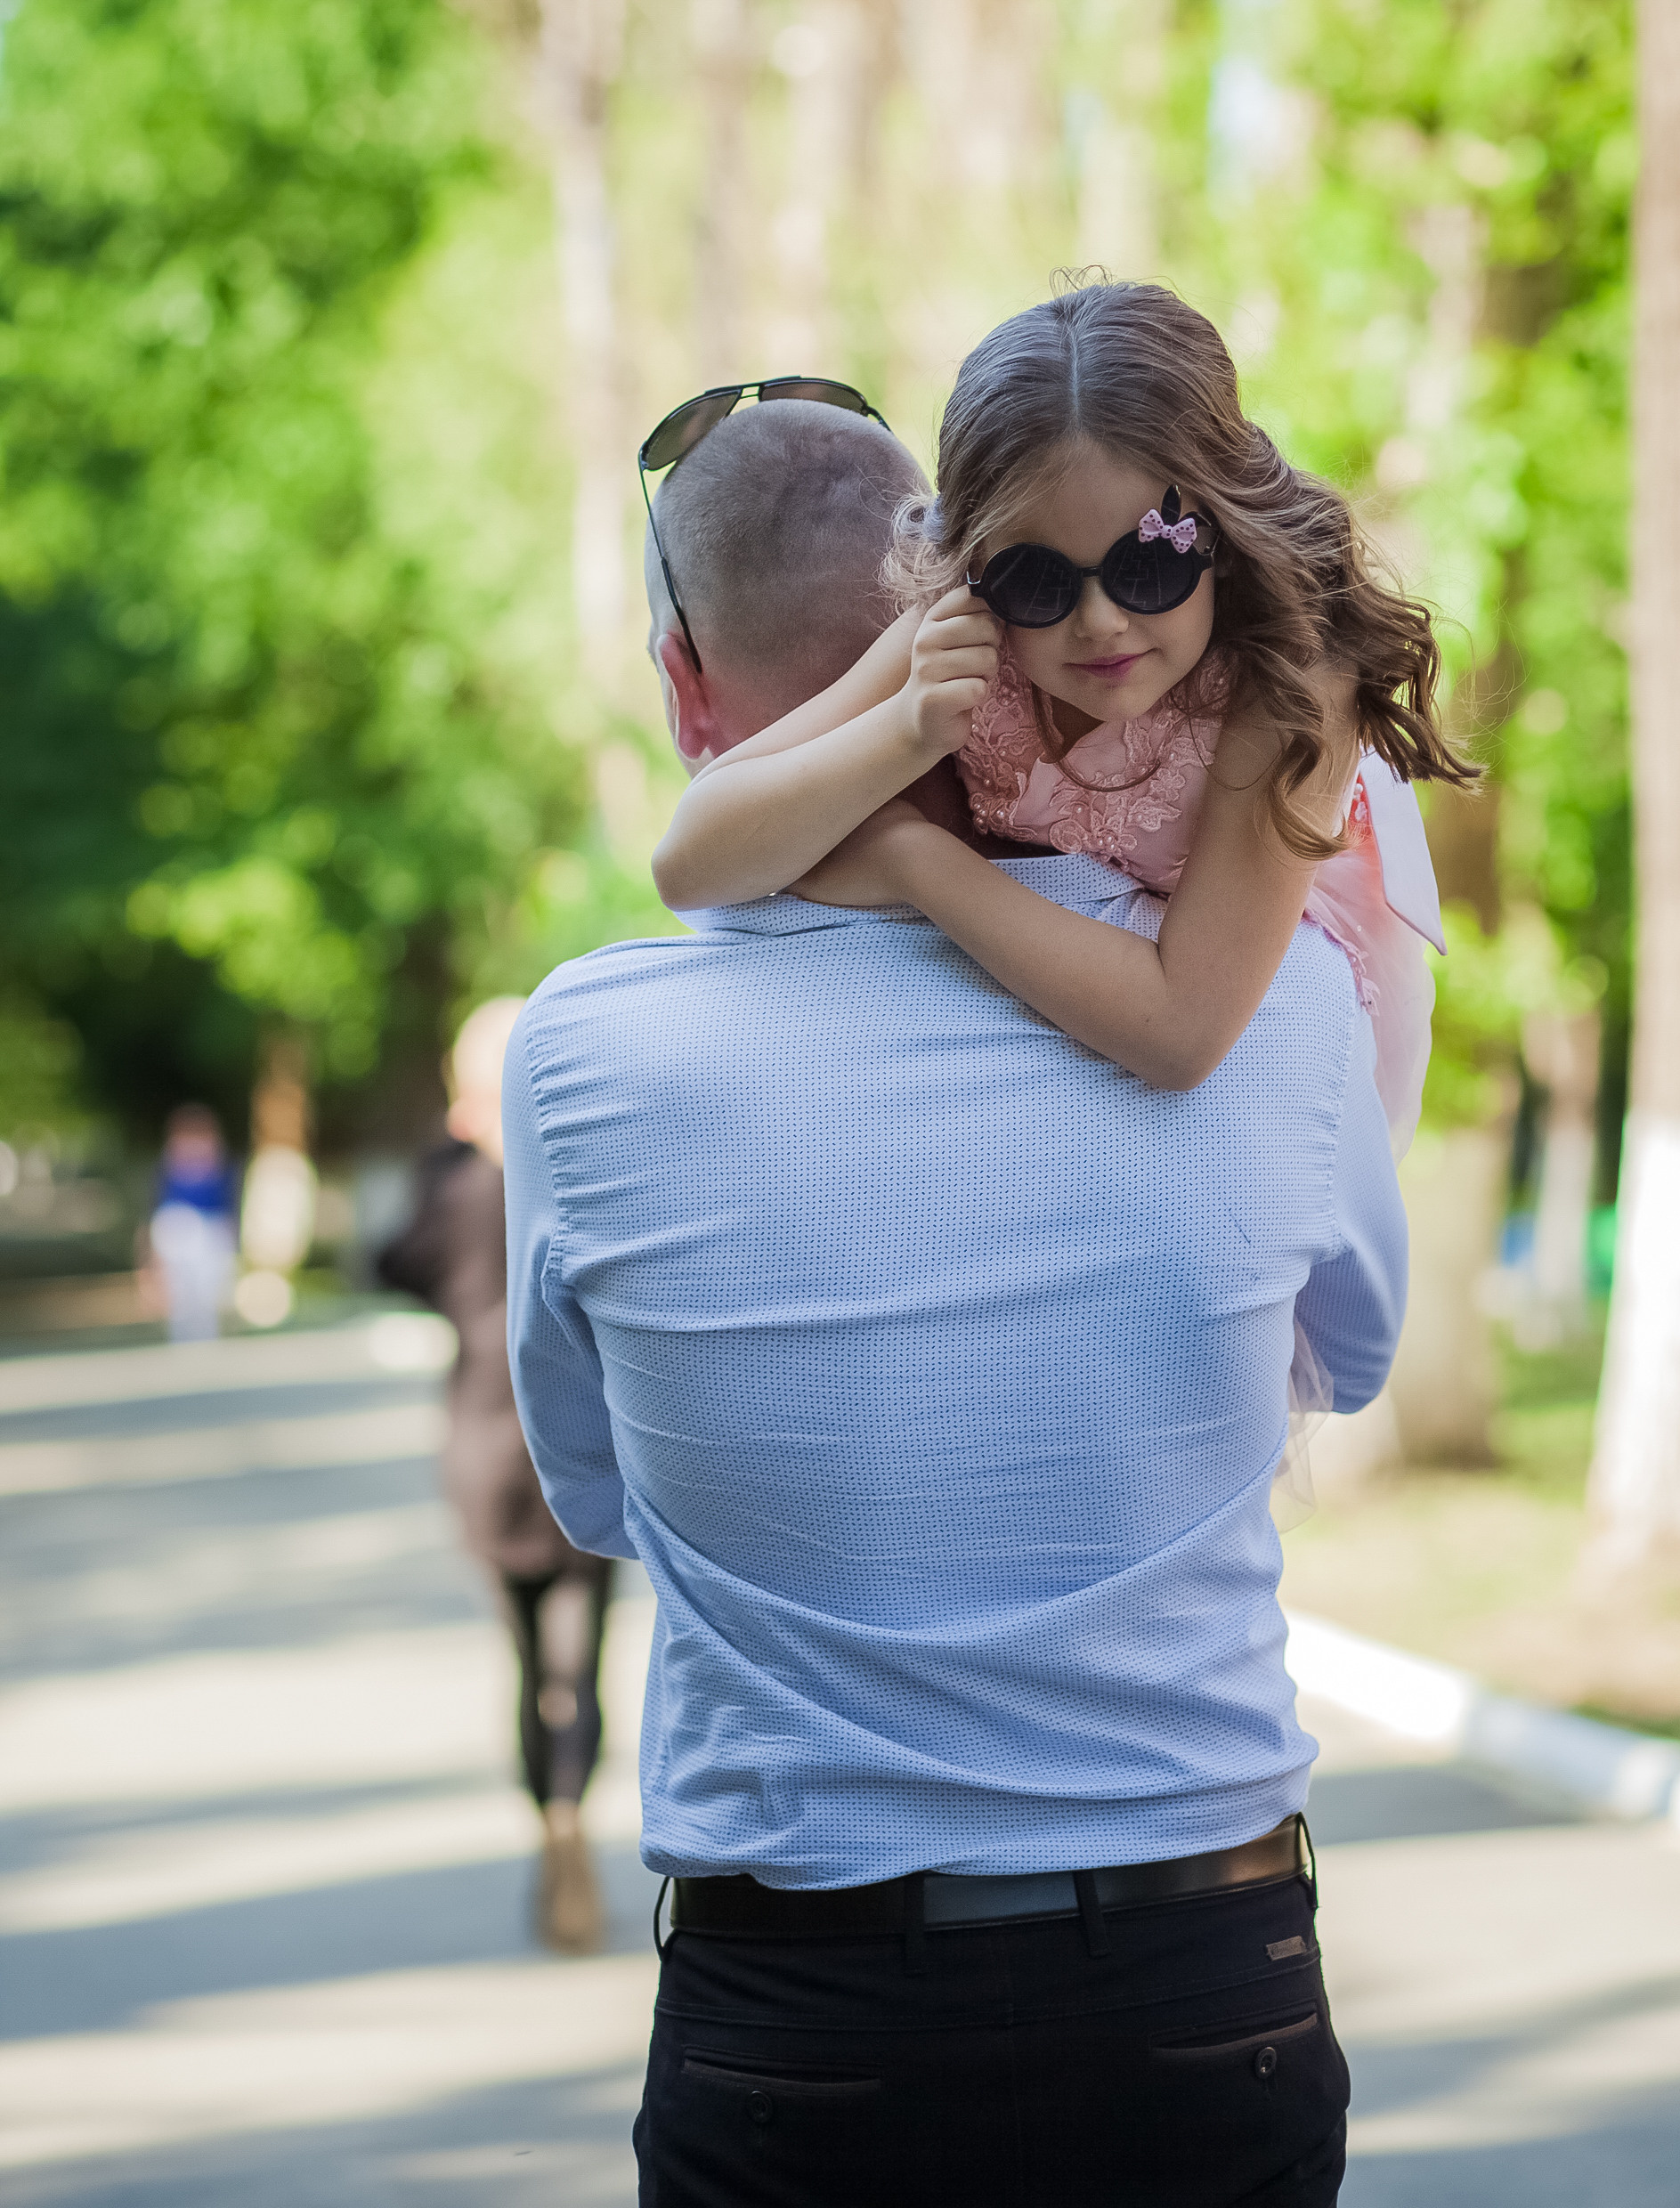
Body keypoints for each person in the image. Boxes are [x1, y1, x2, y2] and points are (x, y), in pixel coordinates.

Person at [506, 387, 1410, 2205]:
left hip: (800, 2014)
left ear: (689, 694)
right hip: (1197, 1978)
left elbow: (600, 1495)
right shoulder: (1275, 1000)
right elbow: (1352, 1356)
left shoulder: (584, 1056)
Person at [648, 277, 1457, 1459]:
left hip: (1258, 976)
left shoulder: (1290, 685)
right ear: (973, 566)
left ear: (1221, 532)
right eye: (1037, 580)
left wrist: (921, 861)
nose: (1097, 626)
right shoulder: (961, 635)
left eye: (1150, 562)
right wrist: (905, 730)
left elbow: (1186, 1031)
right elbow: (689, 857)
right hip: (1091, 991)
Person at [380, 996, 616, 1954]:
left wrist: (449, 1152)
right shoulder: (581, 1176)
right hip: (584, 1446)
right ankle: (572, 1815)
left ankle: (543, 1820)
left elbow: (389, 1262)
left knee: (526, 1665)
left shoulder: (457, 1191)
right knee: (583, 1658)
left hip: (485, 1457)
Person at [143, 1104, 238, 1343]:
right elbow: (156, 1204)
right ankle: (183, 1340)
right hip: (177, 1226)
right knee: (181, 1291)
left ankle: (205, 1339)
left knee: (207, 1291)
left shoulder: (221, 1163)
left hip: (210, 1228)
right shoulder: (168, 1164)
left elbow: (227, 1204)